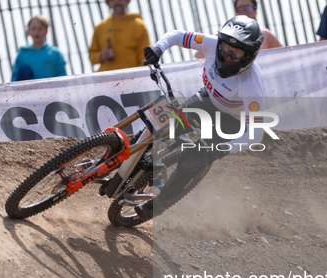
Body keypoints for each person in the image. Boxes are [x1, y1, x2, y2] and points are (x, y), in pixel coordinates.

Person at [135, 15, 265, 219]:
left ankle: (163, 200)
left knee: (192, 159)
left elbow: (256, 134)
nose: (228, 55)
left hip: (231, 122)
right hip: (207, 100)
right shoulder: (213, 45)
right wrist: (159, 48)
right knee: (158, 121)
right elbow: (178, 36)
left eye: (237, 52)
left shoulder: (251, 85)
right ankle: (126, 153)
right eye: (226, 48)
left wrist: (224, 149)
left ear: (249, 55)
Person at [196, 0, 281, 59]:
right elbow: (199, 54)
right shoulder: (226, 35)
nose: (244, 12)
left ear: (255, 10)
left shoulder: (265, 34)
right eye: (240, 9)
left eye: (248, 8)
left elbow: (285, 55)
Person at [88, 0, 150, 72]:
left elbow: (145, 58)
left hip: (130, 77)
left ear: (127, 1)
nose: (117, 1)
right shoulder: (100, 27)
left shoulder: (138, 25)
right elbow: (92, 56)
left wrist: (139, 78)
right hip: (105, 78)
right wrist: (101, 56)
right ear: (108, 3)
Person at [11, 15, 67, 81]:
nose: (36, 31)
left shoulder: (55, 53)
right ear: (28, 32)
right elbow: (14, 79)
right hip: (29, 91)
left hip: (52, 90)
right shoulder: (22, 54)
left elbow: (62, 77)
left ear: (46, 31)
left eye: (40, 29)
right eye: (33, 28)